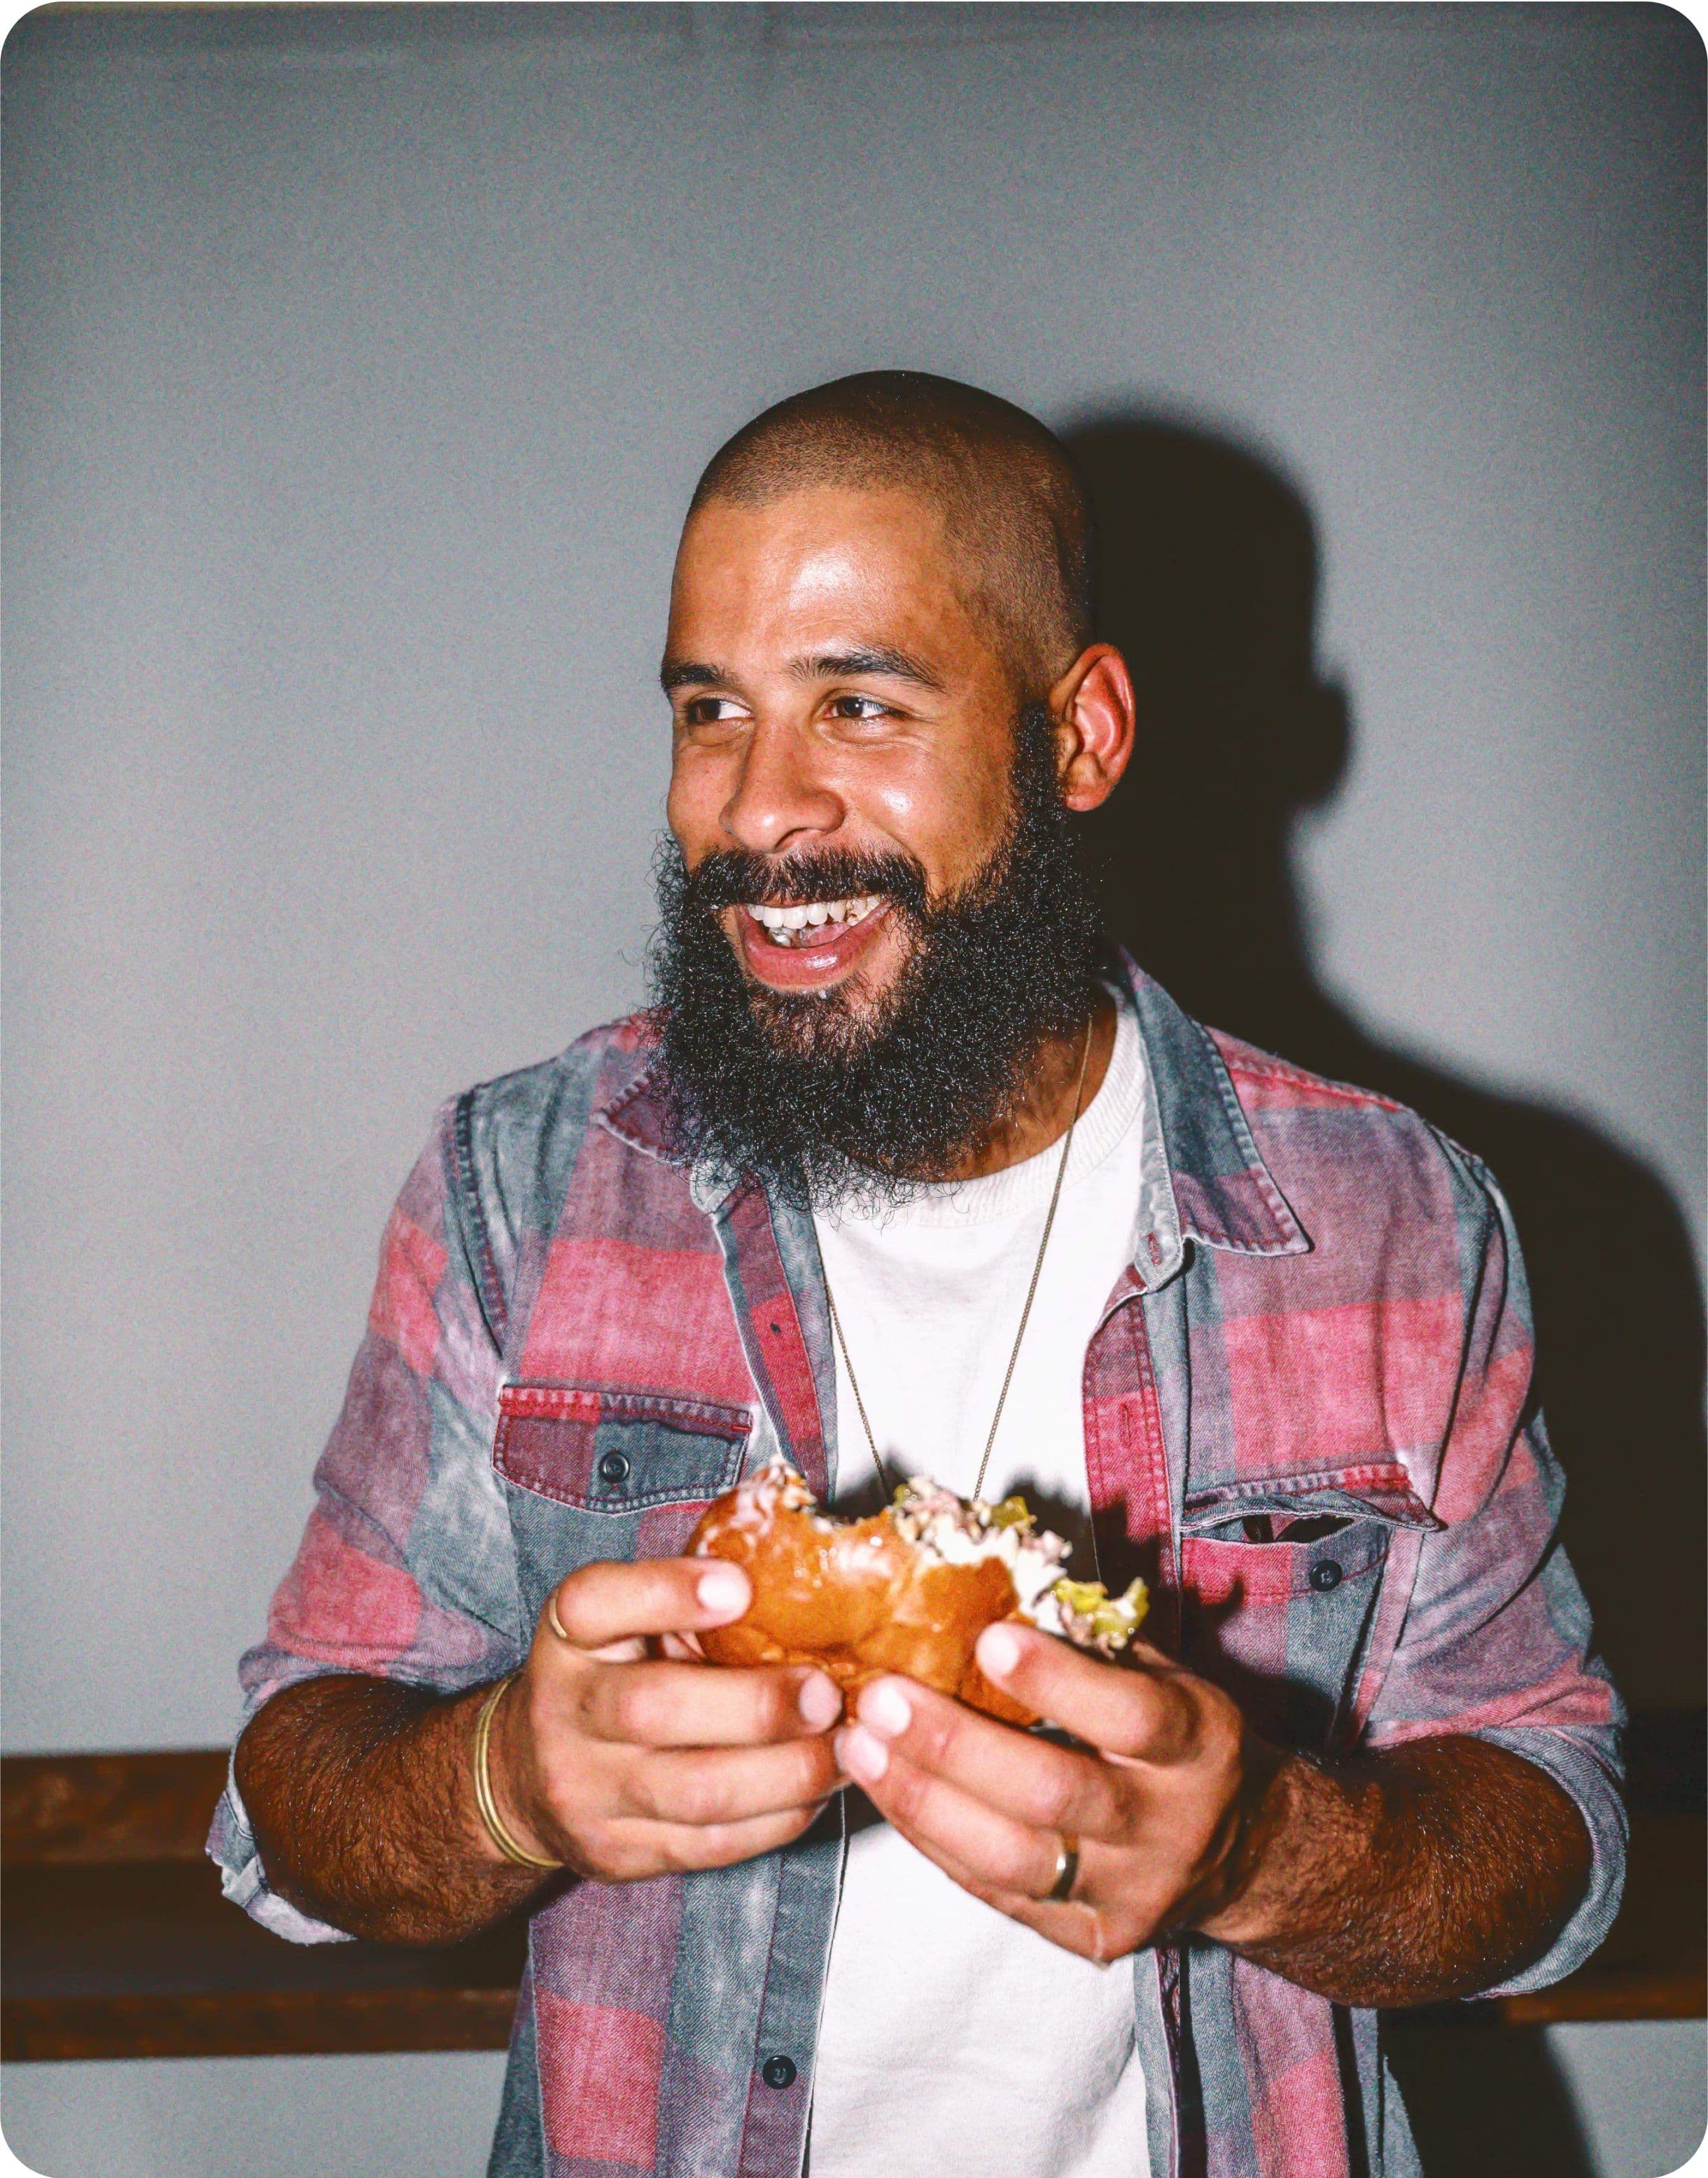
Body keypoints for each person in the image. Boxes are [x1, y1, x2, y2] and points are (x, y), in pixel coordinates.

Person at [210, 372, 1624, 2178]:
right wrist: (509, 1781)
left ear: (1083, 734)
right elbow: (290, 1794)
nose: (759, 810)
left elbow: (1553, 1824)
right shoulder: (522, 1184)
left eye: (858, 704)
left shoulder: (1396, 1221)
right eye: (710, 709)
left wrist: (1265, 1848)